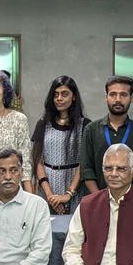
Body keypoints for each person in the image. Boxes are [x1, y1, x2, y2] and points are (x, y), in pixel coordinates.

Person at [79, 75, 133, 193]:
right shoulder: (91, 130)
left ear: (131, 98)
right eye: (113, 94)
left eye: (123, 95)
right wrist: (99, 198)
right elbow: (86, 169)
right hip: (97, 199)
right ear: (106, 98)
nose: (118, 99)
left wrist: (129, 199)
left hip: (130, 202)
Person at [31, 75, 89, 214]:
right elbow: (37, 160)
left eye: (64, 94)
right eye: (55, 95)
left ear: (73, 97)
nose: (59, 98)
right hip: (47, 187)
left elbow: (84, 163)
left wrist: (69, 194)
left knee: (74, 231)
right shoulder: (43, 124)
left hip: (75, 187)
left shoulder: (84, 125)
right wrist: (50, 195)